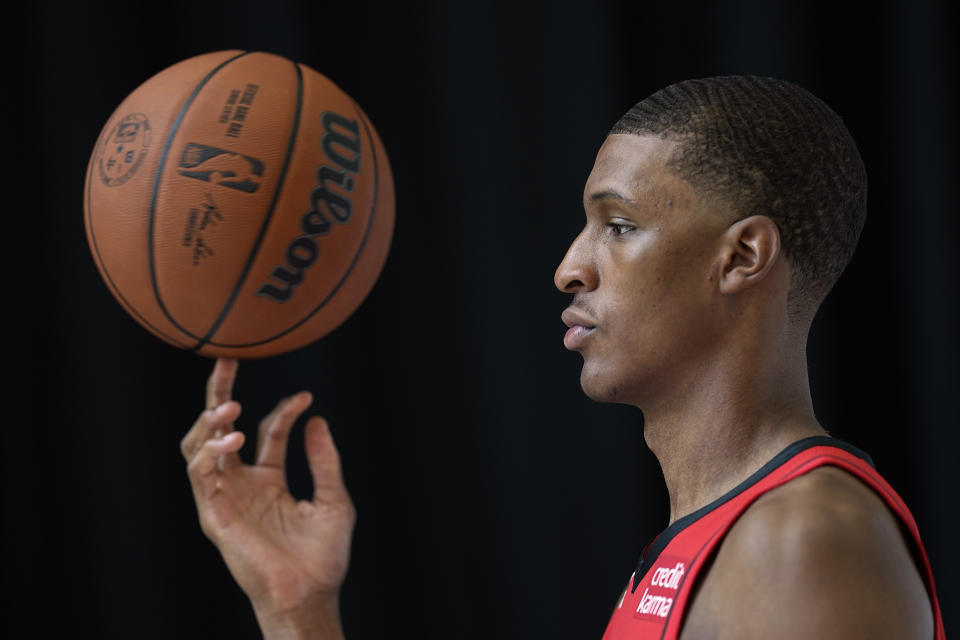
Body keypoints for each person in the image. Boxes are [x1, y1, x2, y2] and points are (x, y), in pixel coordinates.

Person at [180, 76, 945, 639]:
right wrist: (297, 609)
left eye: (618, 225)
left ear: (742, 256)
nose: (569, 267)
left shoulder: (798, 542)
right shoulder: (715, 539)